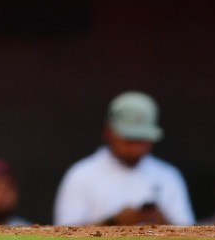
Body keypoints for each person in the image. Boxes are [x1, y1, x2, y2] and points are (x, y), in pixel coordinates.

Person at [54, 91, 195, 226]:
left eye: (142, 139)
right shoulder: (81, 174)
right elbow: (62, 235)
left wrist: (162, 222)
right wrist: (113, 222)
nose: (135, 146)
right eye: (129, 138)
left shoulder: (168, 175)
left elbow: (192, 238)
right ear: (108, 131)